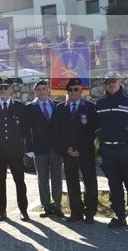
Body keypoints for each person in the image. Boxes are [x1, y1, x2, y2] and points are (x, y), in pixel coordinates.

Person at [96, 71, 128, 231]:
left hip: (127, 151)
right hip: (108, 151)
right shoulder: (100, 103)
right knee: (114, 185)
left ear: (119, 81)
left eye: (113, 81)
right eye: (107, 82)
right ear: (104, 84)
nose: (110, 84)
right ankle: (119, 216)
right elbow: (96, 125)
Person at [52, 78, 98, 224]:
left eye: (76, 89)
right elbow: (56, 132)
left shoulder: (90, 107)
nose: (73, 92)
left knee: (90, 183)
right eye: (70, 90)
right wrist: (67, 149)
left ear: (81, 91)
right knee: (72, 184)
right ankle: (76, 212)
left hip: (86, 153)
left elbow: (93, 131)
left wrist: (80, 149)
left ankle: (90, 213)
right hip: (68, 153)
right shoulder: (60, 108)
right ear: (67, 92)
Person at [0, 76, 31, 222]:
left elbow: (25, 129)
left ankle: (23, 210)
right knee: (0, 181)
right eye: (0, 88)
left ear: (11, 90)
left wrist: (27, 149)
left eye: (6, 88)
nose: (3, 90)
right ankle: (2, 210)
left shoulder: (20, 107)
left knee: (20, 181)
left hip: (16, 150)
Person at [26, 80, 64, 219]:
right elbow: (26, 130)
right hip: (39, 149)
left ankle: (58, 206)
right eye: (38, 89)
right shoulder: (29, 107)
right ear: (35, 91)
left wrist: (63, 146)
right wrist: (29, 149)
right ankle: (47, 206)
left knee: (57, 178)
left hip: (55, 149)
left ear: (48, 90)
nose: (41, 92)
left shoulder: (56, 105)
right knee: (42, 179)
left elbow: (61, 128)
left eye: (44, 89)